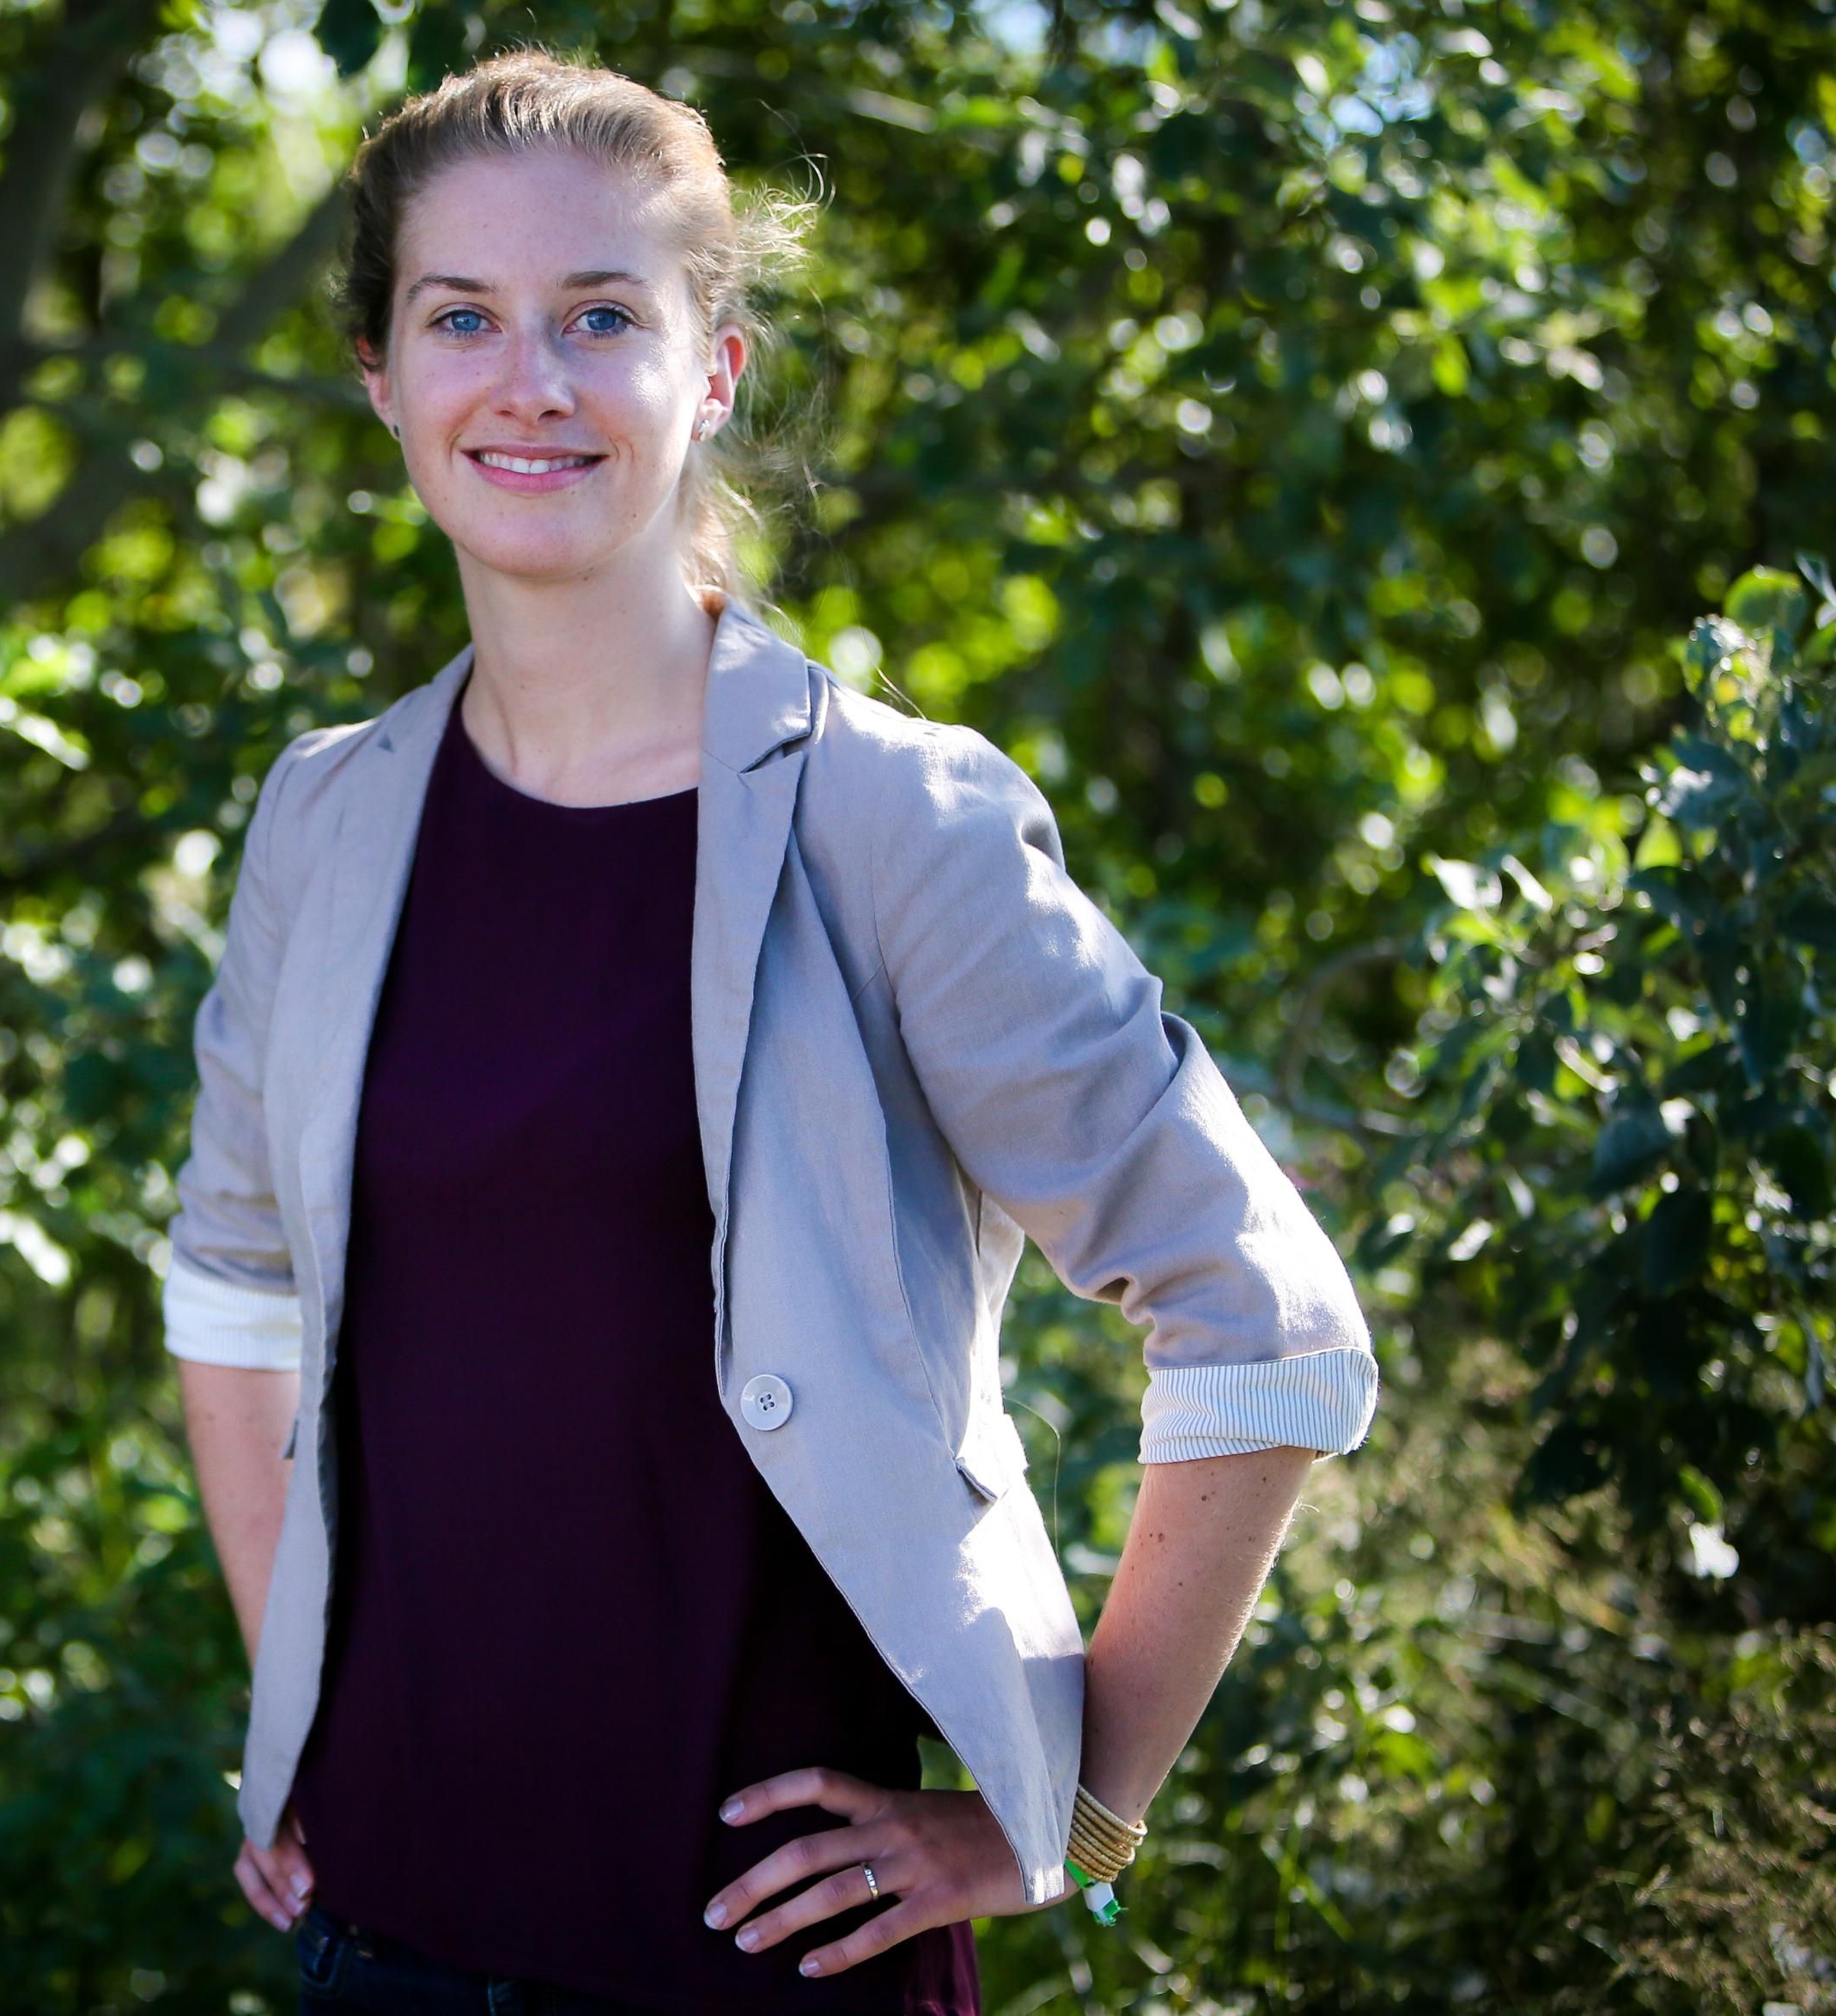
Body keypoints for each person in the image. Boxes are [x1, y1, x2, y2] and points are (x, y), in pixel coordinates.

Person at [161, 47, 1379, 2016]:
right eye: (460, 317)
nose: (528, 380)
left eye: (601, 317)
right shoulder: (326, 816)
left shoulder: (891, 822)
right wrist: (287, 1702)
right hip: (374, 1937)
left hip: (768, 1966)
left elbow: (1265, 1318)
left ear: (711, 369)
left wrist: (1067, 1812)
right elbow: (230, 1288)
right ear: (380, 376)